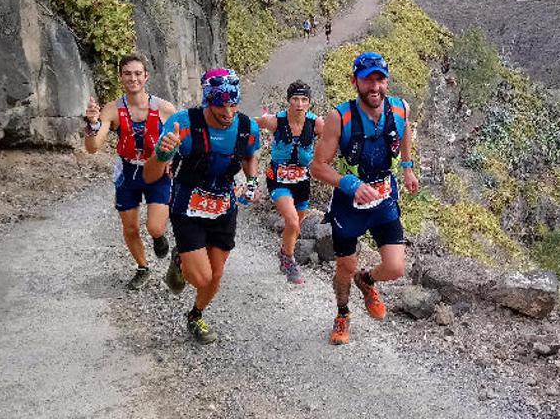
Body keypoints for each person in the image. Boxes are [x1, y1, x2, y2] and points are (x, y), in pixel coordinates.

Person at [144, 68, 261, 344]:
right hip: (188, 208)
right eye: (221, 104)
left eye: (233, 103)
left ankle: (195, 315)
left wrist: (252, 181)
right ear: (208, 100)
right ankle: (181, 259)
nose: (228, 111)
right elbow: (150, 175)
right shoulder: (182, 124)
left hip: (224, 207)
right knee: (201, 278)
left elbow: (249, 156)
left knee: (215, 275)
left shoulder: (247, 127)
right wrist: (162, 153)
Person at [310, 51, 420, 345]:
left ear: (387, 80)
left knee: (396, 267)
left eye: (380, 79)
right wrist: (349, 183)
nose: (375, 87)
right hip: (349, 206)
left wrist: (407, 168)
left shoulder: (400, 109)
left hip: (384, 199)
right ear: (354, 82)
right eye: (367, 80)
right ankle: (342, 314)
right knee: (345, 267)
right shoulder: (340, 117)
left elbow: (405, 131)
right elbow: (318, 166)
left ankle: (367, 279)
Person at [83, 53, 177, 290]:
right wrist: (93, 124)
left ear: (146, 76)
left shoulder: (165, 108)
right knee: (130, 227)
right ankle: (143, 267)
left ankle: (158, 237)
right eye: (127, 74)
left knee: (155, 226)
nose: (133, 78)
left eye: (137, 73)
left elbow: (180, 140)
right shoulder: (112, 109)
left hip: (156, 170)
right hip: (128, 172)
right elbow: (93, 148)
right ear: (121, 78)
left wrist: (172, 159)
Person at [256, 81, 324, 284]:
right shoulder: (275, 121)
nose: (299, 104)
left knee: (295, 225)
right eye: (295, 99)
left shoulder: (316, 123)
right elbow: (248, 124)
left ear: (310, 103)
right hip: (278, 179)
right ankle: (289, 260)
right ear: (288, 101)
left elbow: (334, 137)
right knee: (293, 221)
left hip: (302, 180)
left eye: (304, 100)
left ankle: (284, 253)